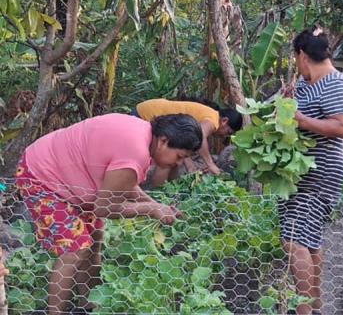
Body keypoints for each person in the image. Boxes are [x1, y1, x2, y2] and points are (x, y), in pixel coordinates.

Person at [14, 113, 202, 313]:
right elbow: (104, 208)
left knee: (95, 239)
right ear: (164, 141)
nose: (179, 163)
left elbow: (123, 181)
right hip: (42, 176)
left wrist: (156, 204)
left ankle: (90, 303)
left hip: (70, 179)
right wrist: (150, 209)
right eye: (180, 156)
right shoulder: (135, 151)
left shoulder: (143, 134)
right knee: (76, 249)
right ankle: (55, 312)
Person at [280, 27, 343, 315]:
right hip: (300, 172)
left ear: (302, 55)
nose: (297, 67)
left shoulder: (335, 83)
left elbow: (342, 127)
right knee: (309, 239)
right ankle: (315, 305)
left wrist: (299, 119)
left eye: (296, 59)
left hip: (321, 172)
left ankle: (304, 311)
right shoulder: (309, 83)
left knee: (293, 239)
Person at [133, 98, 243, 184]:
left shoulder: (209, 115)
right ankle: (158, 197)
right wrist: (210, 164)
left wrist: (190, 167)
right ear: (224, 121)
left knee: (174, 163)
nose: (225, 136)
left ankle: (171, 191)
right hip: (146, 114)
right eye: (228, 132)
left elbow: (183, 148)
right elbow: (202, 136)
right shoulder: (213, 120)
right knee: (166, 163)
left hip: (147, 109)